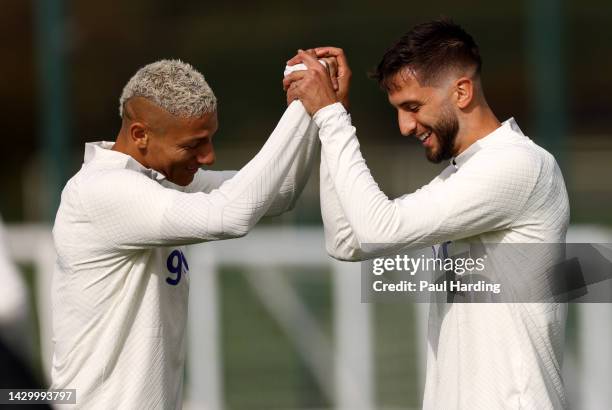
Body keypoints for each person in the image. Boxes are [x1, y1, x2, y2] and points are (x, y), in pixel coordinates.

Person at [284, 19, 570, 409]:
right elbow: (347, 240)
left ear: (462, 91)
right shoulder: (467, 171)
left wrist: (332, 117)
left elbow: (377, 230)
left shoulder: (519, 165)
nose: (404, 125)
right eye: (399, 110)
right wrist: (336, 115)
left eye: (413, 107)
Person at [51, 59, 320, 408]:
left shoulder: (158, 181)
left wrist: (316, 110)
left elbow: (279, 190)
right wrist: (305, 104)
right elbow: (230, 217)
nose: (208, 157)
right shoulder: (102, 190)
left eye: (210, 139)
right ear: (139, 135)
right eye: (194, 145)